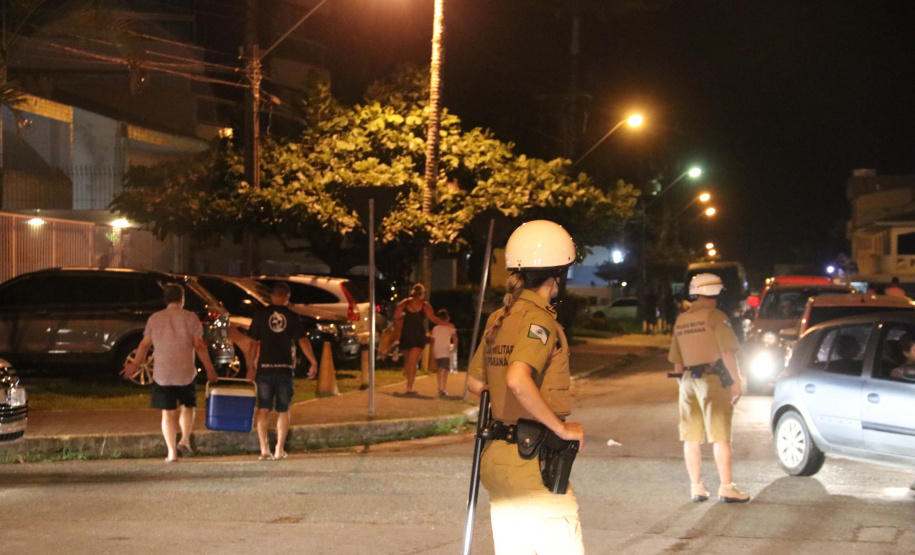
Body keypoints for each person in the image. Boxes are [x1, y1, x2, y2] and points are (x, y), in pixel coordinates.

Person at [466, 220, 586, 554]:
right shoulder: (540, 320)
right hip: (532, 462)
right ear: (557, 274)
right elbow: (518, 379)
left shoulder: (499, 318)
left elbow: (476, 383)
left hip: (500, 459)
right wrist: (560, 428)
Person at [668, 273, 750, 504]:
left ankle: (696, 488)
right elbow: (727, 352)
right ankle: (726, 487)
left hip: (687, 383)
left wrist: (682, 382)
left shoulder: (682, 319)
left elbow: (677, 362)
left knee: (690, 438)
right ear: (716, 293)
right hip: (712, 381)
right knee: (720, 436)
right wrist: (736, 380)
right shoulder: (716, 316)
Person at [121, 284, 218, 463]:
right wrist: (210, 369)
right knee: (188, 407)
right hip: (186, 372)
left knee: (167, 413)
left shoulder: (154, 319)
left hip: (163, 373)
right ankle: (185, 440)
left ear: (165, 299)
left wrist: (134, 364)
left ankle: (171, 453)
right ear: (182, 299)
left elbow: (144, 345)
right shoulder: (191, 318)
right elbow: (198, 346)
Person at [247, 282, 318, 461]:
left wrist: (250, 367)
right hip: (284, 369)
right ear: (287, 297)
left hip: (264, 369)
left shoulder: (260, 315)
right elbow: (302, 341)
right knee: (283, 409)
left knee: (263, 409)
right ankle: (279, 448)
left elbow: (252, 343)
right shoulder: (292, 317)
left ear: (271, 296)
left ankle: (264, 448)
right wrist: (313, 362)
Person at [392, 283, 446, 395]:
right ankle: (409, 386)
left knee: (408, 361)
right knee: (413, 362)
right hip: (418, 335)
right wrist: (445, 324)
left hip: (406, 335)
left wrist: (403, 317)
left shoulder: (405, 303)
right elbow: (432, 318)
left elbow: (396, 315)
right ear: (422, 294)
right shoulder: (424, 305)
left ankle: (409, 384)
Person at [430, 309, 458, 397]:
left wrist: (432, 352)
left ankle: (440, 387)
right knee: (445, 370)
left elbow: (432, 340)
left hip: (437, 350)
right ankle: (443, 388)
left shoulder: (435, 329)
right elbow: (455, 338)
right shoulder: (450, 327)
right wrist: (454, 347)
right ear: (447, 318)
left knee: (439, 369)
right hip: (446, 350)